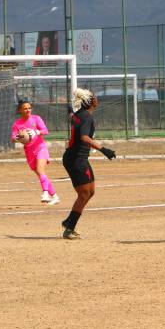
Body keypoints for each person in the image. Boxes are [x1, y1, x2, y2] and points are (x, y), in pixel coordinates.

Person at [60, 88, 116, 239]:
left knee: (90, 192)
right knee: (84, 193)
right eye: (95, 97)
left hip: (78, 158)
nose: (97, 99)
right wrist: (104, 150)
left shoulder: (79, 115)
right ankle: (69, 226)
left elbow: (74, 120)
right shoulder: (87, 117)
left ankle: (69, 222)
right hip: (76, 159)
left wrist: (71, 112)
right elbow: (84, 137)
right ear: (90, 102)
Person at [11, 101, 59, 205]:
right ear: (20, 110)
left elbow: (45, 130)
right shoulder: (17, 124)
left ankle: (45, 193)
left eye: (29, 108)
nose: (28, 110)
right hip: (29, 151)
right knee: (41, 174)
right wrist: (18, 137)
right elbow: (13, 138)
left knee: (40, 170)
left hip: (40, 148)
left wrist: (37, 132)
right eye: (25, 108)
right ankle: (55, 197)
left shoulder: (36, 118)